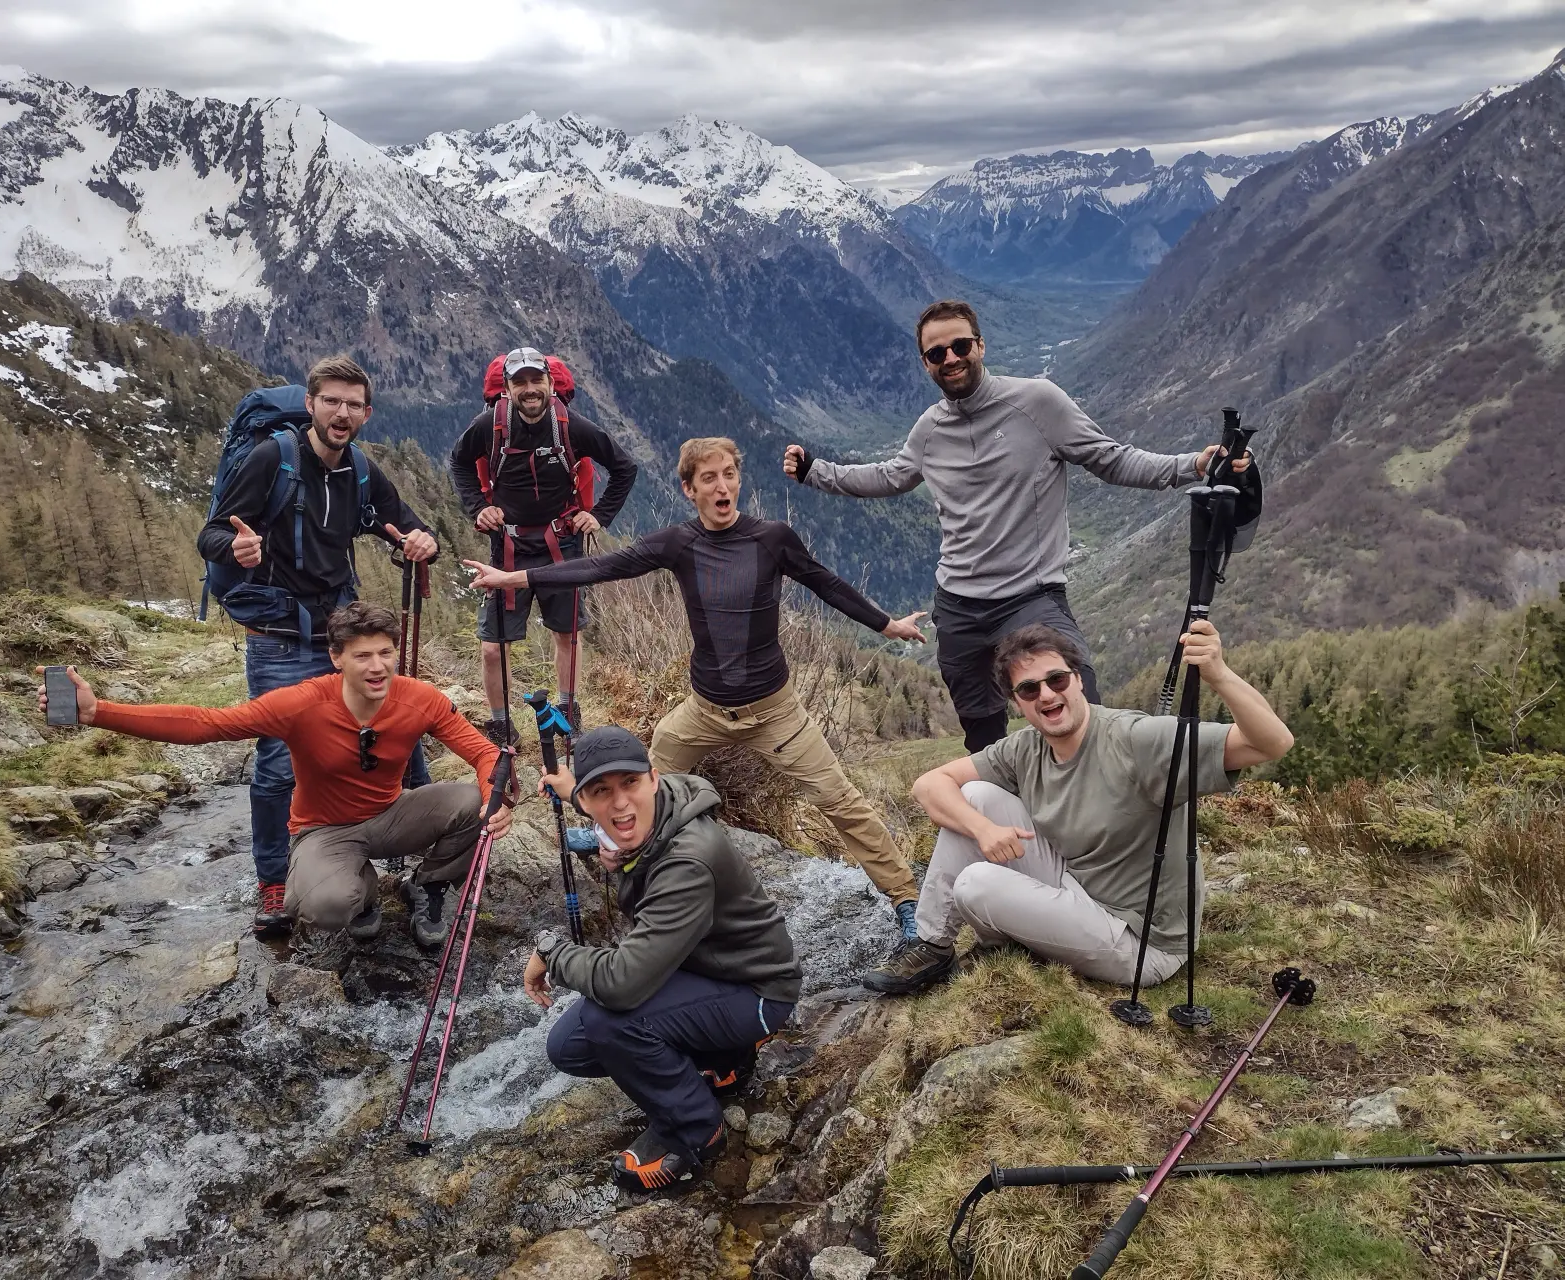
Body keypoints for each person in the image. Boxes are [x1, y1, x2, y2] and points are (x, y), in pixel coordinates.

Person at [464, 437, 930, 959]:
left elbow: (827, 584)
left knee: (839, 801)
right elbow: (603, 567)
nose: (722, 486)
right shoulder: (680, 544)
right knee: (646, 774)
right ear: (690, 490)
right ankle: (611, 838)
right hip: (704, 711)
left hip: (775, 713)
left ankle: (907, 900)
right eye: (709, 478)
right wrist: (514, 577)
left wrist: (886, 625)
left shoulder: (772, 539)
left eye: (729, 474)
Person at [783, 299, 1248, 753]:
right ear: (925, 364)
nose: (951, 359)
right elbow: (889, 476)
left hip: (1030, 597)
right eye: (937, 353)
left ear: (980, 346)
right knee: (983, 738)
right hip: (958, 608)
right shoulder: (929, 429)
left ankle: (1096, 799)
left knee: (1080, 704)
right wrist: (814, 471)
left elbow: (1111, 459)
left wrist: (1193, 465)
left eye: (960, 346)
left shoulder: (1037, 402)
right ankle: (1011, 804)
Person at [37, 602, 510, 950]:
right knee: (326, 908)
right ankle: (363, 893)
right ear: (337, 658)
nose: (377, 666)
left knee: (473, 801)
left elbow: (483, 753)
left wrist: (498, 794)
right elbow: (207, 724)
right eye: (362, 656)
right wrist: (99, 712)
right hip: (324, 831)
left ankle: (428, 886)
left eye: (385, 653)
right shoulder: (301, 703)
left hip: (392, 814)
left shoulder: (419, 698)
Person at [862, 619, 1292, 995]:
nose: (1047, 695)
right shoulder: (1027, 747)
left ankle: (1006, 936)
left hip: (1142, 942)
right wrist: (983, 829)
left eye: (1057, 679)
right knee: (975, 797)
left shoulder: (1136, 740)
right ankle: (933, 945)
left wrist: (1219, 674)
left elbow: (1271, 743)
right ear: (1017, 702)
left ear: (1079, 679)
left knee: (975, 883)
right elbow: (929, 785)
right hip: (1077, 887)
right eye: (1029, 688)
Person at [198, 354, 441, 937]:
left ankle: (417, 869)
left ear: (367, 413)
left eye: (353, 404)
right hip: (279, 636)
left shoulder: (359, 470)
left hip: (339, 634)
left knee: (400, 738)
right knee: (280, 761)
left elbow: (407, 522)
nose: (342, 413)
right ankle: (274, 880)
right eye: (331, 401)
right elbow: (211, 534)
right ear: (310, 404)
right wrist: (236, 549)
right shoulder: (272, 459)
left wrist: (421, 541)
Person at [525, 725, 801, 1193]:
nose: (620, 804)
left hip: (757, 991)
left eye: (630, 783)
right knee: (570, 1046)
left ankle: (695, 1129)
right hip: (707, 969)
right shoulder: (658, 808)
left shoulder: (688, 860)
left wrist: (552, 953)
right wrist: (574, 793)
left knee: (609, 1021)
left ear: (653, 777)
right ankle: (726, 1059)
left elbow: (622, 984)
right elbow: (613, 806)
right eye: (600, 791)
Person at [449, 347, 638, 740]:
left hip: (561, 543)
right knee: (492, 646)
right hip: (508, 545)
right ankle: (501, 725)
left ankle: (567, 712)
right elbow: (459, 462)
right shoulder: (489, 425)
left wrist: (599, 516)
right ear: (507, 388)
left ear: (550, 383)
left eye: (537, 380)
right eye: (520, 382)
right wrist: (478, 508)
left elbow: (624, 467)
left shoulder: (571, 426)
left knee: (566, 634)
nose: (530, 389)